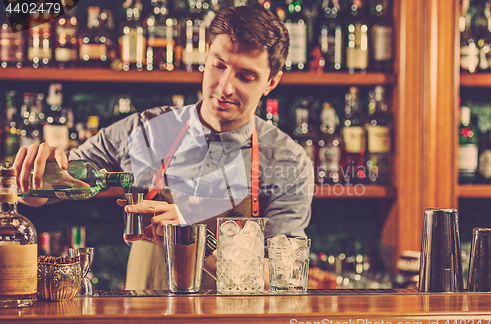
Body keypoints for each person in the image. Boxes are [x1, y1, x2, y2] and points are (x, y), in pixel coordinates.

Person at [13, 5, 314, 290]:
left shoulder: (287, 160)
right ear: (205, 57)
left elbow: (282, 277)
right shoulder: (143, 131)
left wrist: (194, 239)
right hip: (144, 320)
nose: (224, 87)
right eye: (218, 66)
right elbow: (40, 194)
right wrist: (35, 172)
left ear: (271, 82)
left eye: (245, 77)